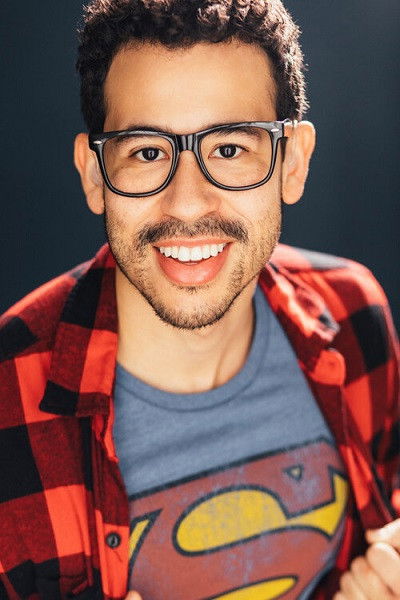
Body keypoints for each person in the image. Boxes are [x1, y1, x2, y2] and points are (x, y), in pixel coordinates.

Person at [0, 0, 399, 598]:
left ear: (292, 162)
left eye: (230, 149)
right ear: (94, 174)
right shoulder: (7, 389)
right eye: (147, 152)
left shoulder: (352, 313)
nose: (187, 204)